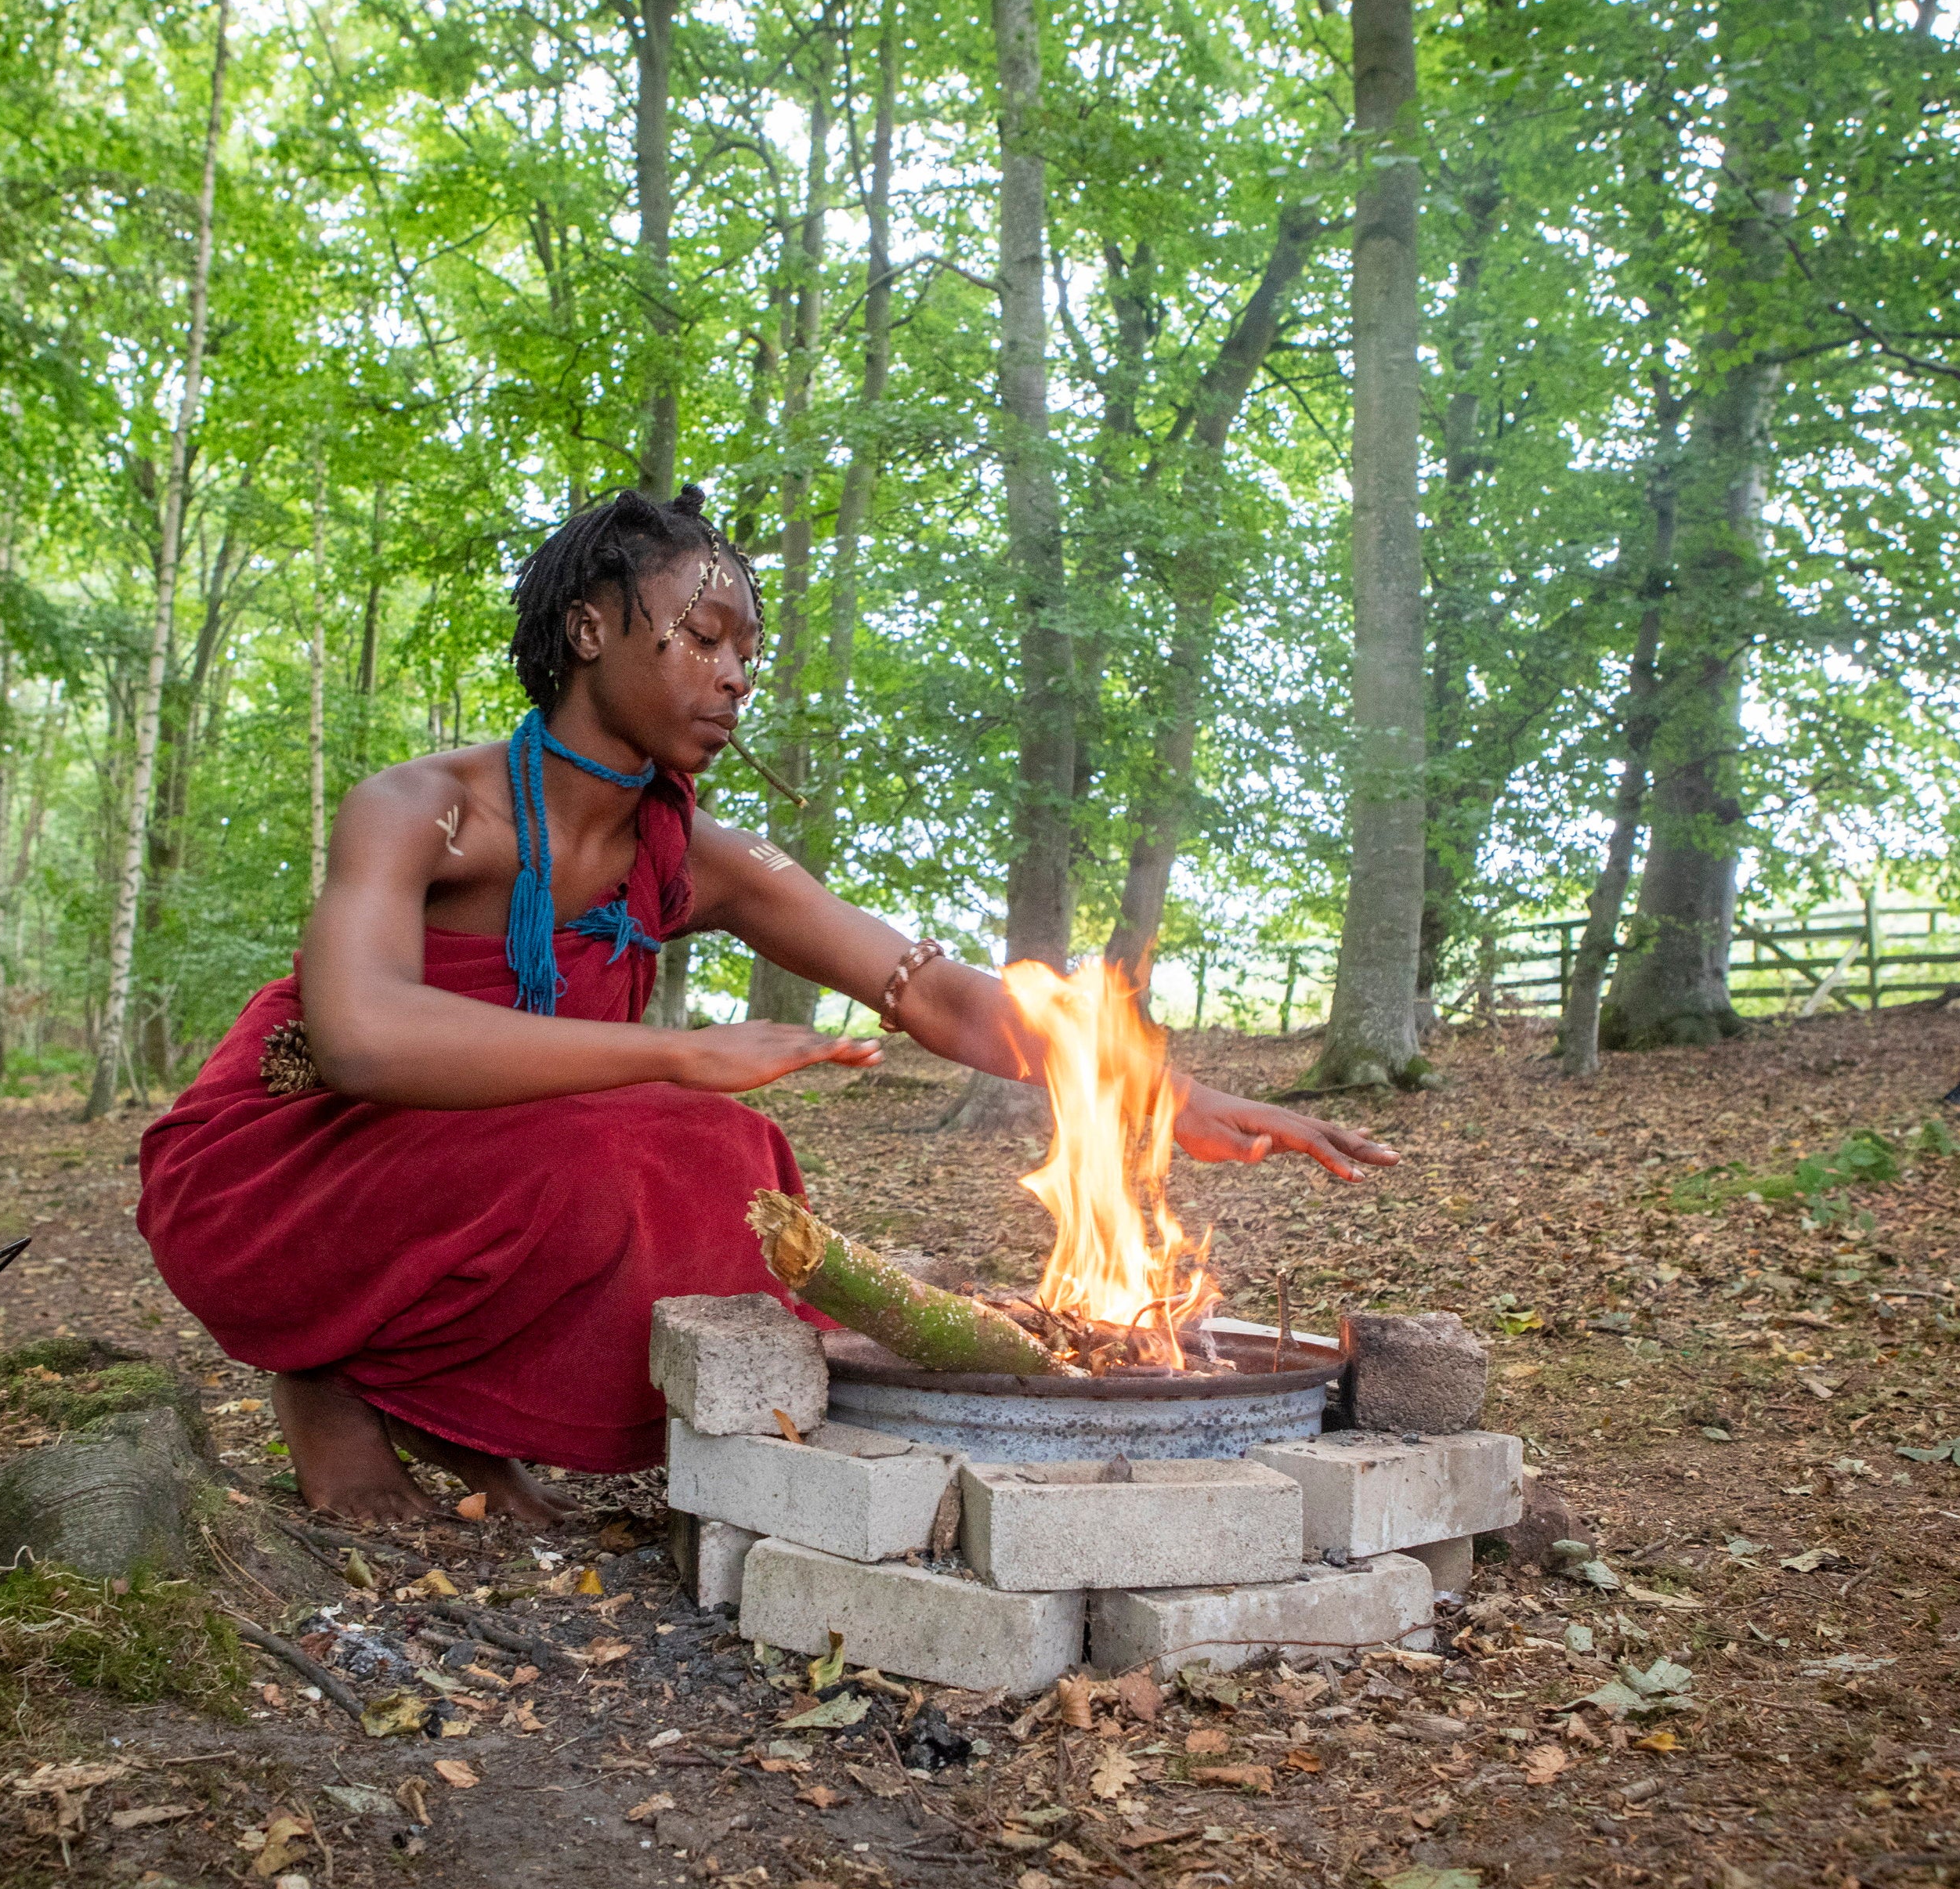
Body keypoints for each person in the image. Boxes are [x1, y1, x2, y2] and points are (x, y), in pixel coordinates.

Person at [136, 485, 1395, 1524]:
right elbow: (358, 1038)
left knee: (723, 1159)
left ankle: (446, 1418)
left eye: (750, 651)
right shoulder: (421, 808)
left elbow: (942, 997)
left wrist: (1153, 1096)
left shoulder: (713, 860)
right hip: (279, 1166)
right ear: (589, 631)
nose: (737, 675)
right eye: (704, 635)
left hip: (484, 1151)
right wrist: (678, 1054)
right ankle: (327, 1380)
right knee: (652, 1133)